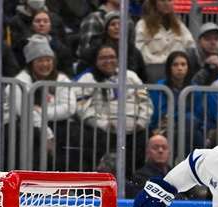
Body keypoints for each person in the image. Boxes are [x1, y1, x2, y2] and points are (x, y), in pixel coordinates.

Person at [76, 43, 153, 173]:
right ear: (96, 60)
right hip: (103, 130)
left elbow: (145, 101)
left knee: (145, 140)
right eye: (103, 58)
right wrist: (103, 124)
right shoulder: (88, 79)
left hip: (135, 129)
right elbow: (82, 107)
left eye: (112, 57)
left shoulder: (131, 76)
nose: (108, 61)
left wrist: (141, 122)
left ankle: (135, 183)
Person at [12, 36, 77, 170]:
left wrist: (40, 112)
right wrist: (47, 133)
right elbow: (24, 111)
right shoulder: (21, 80)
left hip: (54, 123)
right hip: (26, 125)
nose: (45, 64)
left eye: (48, 60)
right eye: (40, 60)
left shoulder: (61, 78)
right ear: (31, 63)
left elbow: (69, 107)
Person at [134, 0, 195, 83]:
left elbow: (190, 45)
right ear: (154, 3)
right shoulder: (143, 25)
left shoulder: (179, 25)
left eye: (169, 0)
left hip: (177, 68)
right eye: (162, 0)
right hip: (153, 68)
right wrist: (163, 62)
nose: (166, 3)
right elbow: (139, 51)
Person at [148, 50, 192, 136]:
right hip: (163, 126)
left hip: (187, 128)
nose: (180, 68)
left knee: (190, 120)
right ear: (169, 68)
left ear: (188, 67)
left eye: (183, 64)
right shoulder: (159, 87)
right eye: (175, 65)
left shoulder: (193, 88)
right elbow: (159, 112)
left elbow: (197, 113)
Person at [127, 133, 172, 197]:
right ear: (147, 152)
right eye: (155, 147)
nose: (160, 150)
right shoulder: (139, 176)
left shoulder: (176, 174)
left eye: (164, 147)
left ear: (169, 152)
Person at [188, 21, 218, 86]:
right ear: (199, 42)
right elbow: (190, 86)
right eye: (208, 39)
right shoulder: (190, 57)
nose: (213, 43)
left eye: (216, 39)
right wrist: (206, 68)